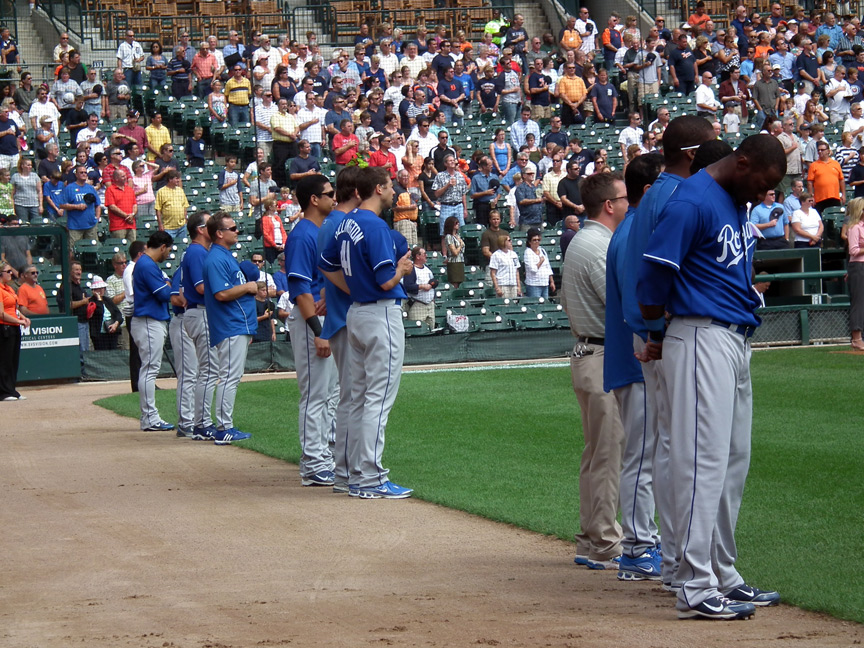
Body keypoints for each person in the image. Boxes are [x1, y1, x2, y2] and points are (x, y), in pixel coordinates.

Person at [636, 134, 785, 620]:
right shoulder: (693, 201)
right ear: (741, 164)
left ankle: (722, 572)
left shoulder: (732, 199)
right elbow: (654, 275)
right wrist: (656, 328)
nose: (768, 194)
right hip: (699, 335)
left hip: (733, 338)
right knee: (701, 461)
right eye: (765, 183)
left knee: (731, 462)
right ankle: (694, 584)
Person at [619, 115, 716, 591]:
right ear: (694, 154)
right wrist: (656, 329)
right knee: (681, 446)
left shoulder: (653, 194)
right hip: (666, 332)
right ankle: (681, 563)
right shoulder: (677, 195)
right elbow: (656, 275)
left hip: (651, 331)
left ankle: (677, 559)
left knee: (666, 444)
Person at [319, 166, 414, 499]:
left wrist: (354, 286)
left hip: (355, 311)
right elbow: (386, 280)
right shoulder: (374, 225)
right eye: (389, 187)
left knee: (357, 397)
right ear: (377, 188)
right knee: (377, 398)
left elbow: (326, 264)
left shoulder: (344, 222)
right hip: (379, 313)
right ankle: (371, 477)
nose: (392, 192)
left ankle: (352, 475)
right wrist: (402, 269)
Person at [559, 171, 627, 571]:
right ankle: (604, 539)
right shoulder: (596, 244)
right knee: (607, 455)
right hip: (602, 355)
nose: (627, 203)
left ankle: (589, 536)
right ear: (608, 205)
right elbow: (619, 302)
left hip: (588, 352)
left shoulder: (582, 241)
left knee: (595, 453)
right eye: (622, 198)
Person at [285, 174, 338, 486]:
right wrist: (318, 330)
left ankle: (324, 454)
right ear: (314, 199)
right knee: (314, 394)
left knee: (329, 393)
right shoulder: (302, 234)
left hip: (324, 321)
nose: (334, 197)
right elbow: (301, 291)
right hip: (309, 322)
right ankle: (313, 463)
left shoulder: (322, 231)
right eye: (328, 193)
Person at [203, 211, 256, 444]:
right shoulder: (216, 258)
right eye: (232, 228)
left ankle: (225, 425)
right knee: (228, 377)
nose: (237, 231)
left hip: (236, 324)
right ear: (219, 233)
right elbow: (222, 293)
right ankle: (224, 427)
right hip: (230, 324)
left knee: (230, 376)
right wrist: (248, 286)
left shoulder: (224, 255)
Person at [178, 211, 219, 441]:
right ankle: (202, 423)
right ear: (201, 229)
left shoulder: (199, 252)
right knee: (209, 371)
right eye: (210, 222)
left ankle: (201, 421)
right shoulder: (196, 252)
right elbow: (202, 288)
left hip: (199, 312)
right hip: (200, 311)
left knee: (209, 370)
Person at [130, 231, 174, 432]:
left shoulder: (146, 264)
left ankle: (149, 416)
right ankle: (149, 417)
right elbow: (164, 294)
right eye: (169, 250)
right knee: (149, 369)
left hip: (150, 321)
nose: (168, 254)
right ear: (163, 247)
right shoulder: (147, 264)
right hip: (148, 321)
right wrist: (168, 285)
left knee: (149, 368)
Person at [0, 262, 29, 401]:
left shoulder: (9, 289)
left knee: (13, 360)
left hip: (14, 327)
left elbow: (14, 309)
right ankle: (3, 392)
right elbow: (1, 314)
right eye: (8, 272)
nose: (11, 274)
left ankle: (11, 389)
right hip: (4, 327)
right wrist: (18, 321)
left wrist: (23, 317)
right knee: (4, 361)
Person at [60, 165, 101, 244]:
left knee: (92, 250)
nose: (84, 174)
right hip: (75, 226)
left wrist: (97, 218)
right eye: (81, 172)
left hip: (91, 226)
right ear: (76, 175)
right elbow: (62, 205)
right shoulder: (69, 188)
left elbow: (97, 204)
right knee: (74, 251)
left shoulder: (90, 188)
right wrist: (76, 206)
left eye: (85, 172)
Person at [432, 153, 469, 235]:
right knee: (445, 233)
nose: (452, 162)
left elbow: (463, 193)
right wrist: (447, 185)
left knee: (461, 231)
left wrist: (465, 209)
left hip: (459, 206)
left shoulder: (460, 176)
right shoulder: (440, 176)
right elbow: (436, 194)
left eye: (453, 160)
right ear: (445, 163)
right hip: (446, 206)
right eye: (450, 161)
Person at [404, 246, 437, 329]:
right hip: (417, 304)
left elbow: (433, 283)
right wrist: (422, 286)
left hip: (430, 305)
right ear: (417, 256)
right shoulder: (411, 269)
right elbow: (407, 286)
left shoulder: (427, 269)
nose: (426, 255)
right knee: (417, 329)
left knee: (431, 330)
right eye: (424, 254)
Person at [808, 140, 846, 212]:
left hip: (834, 197)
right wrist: (811, 197)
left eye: (822, 150)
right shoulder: (814, 165)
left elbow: (841, 180)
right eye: (818, 150)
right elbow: (810, 183)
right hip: (819, 198)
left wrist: (843, 194)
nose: (820, 152)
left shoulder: (835, 164)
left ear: (828, 151)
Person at [88, 275, 123, 350]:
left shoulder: (108, 300)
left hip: (112, 333)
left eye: (102, 288)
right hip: (99, 335)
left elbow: (118, 314)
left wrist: (115, 324)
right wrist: (99, 300)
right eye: (98, 289)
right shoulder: (91, 301)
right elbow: (100, 311)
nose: (101, 291)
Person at [154, 170, 189, 239]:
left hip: (182, 227)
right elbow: (158, 209)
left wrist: (185, 220)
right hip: (168, 228)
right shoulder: (161, 191)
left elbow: (185, 206)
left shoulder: (180, 190)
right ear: (170, 179)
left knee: (182, 246)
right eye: (176, 178)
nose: (178, 180)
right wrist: (160, 224)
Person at [105, 168, 137, 241]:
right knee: (120, 249)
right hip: (118, 226)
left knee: (132, 248)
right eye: (122, 176)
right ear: (116, 178)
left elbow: (134, 205)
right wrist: (127, 216)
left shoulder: (130, 189)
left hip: (131, 225)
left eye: (125, 176)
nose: (125, 178)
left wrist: (132, 214)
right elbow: (112, 207)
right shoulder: (110, 190)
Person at [523, 227, 554, 297]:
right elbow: (533, 269)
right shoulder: (528, 252)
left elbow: (548, 267)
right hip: (534, 284)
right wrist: (540, 261)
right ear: (529, 242)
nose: (537, 241)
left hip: (545, 283)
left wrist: (551, 281)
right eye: (534, 240)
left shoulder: (542, 250)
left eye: (538, 240)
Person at [488, 233, 522, 297]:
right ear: (503, 242)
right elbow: (493, 273)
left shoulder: (513, 254)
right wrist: (497, 288)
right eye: (509, 240)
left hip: (513, 284)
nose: (511, 242)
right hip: (502, 284)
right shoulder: (496, 255)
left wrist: (519, 286)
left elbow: (516, 271)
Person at [443, 215, 465, 288]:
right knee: (455, 282)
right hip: (454, 263)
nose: (458, 224)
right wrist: (460, 246)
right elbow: (454, 252)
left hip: (460, 261)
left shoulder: (458, 235)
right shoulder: (449, 237)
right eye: (456, 223)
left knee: (461, 282)